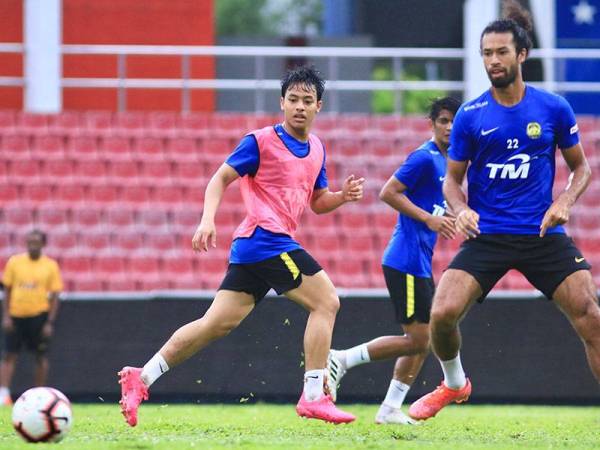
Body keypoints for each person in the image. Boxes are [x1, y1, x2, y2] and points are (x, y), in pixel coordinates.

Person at [118, 65, 365, 426]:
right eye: (292, 99)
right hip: (266, 239)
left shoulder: (316, 149)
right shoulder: (260, 141)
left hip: (255, 247)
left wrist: (342, 196)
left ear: (319, 106)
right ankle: (314, 395)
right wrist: (207, 219)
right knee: (327, 301)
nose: (299, 106)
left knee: (214, 324)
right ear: (281, 102)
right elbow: (220, 178)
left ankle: (142, 377)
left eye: (306, 101)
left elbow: (318, 200)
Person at [408, 1, 600, 421]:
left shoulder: (553, 108)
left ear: (521, 55)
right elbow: (452, 181)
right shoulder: (471, 116)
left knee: (591, 315)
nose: (493, 60)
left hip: (541, 234)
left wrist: (564, 201)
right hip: (488, 235)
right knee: (441, 315)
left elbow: (581, 168)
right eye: (487, 54)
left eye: (500, 52)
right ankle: (455, 383)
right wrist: (460, 210)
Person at [326, 97, 460, 425]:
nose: (450, 127)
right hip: (405, 259)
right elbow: (388, 191)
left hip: (418, 262)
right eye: (443, 120)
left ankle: (389, 408)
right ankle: (342, 360)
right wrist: (430, 219)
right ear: (432, 124)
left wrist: (452, 216)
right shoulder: (424, 158)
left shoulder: (448, 162)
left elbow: (435, 203)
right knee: (419, 339)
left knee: (422, 340)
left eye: (455, 121)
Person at [0, 229, 63, 406]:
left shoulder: (50, 265)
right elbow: (8, 289)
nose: (32, 245)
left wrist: (49, 321)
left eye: (36, 242)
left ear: (43, 244)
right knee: (8, 355)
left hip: (38, 316)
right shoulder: (15, 262)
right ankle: (3, 394)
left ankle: (39, 394)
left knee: (40, 356)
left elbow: (56, 294)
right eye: (29, 242)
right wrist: (6, 316)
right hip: (16, 315)